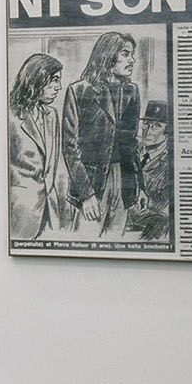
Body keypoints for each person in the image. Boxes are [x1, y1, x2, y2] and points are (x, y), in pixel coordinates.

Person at [60, 32, 142, 238]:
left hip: (123, 183)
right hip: (92, 184)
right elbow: (69, 148)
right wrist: (86, 195)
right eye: (126, 54)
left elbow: (132, 145)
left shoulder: (132, 92)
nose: (132, 60)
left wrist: (138, 186)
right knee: (85, 242)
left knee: (116, 243)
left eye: (132, 54)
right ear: (108, 55)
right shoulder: (79, 91)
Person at [8, 53, 72, 240]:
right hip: (20, 210)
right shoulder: (11, 115)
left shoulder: (52, 115)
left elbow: (55, 168)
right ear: (37, 79)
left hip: (49, 211)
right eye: (54, 80)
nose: (59, 87)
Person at [128, 98, 173, 242]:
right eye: (146, 124)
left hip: (146, 229)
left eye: (156, 126)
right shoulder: (133, 151)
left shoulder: (169, 164)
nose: (147, 130)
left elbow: (162, 211)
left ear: (167, 132)